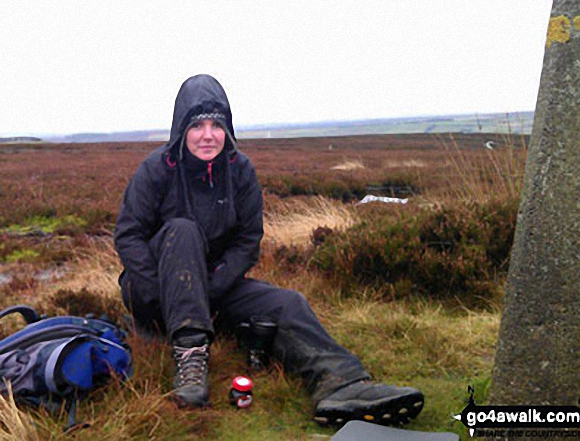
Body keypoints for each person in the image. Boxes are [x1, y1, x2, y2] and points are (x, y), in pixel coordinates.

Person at [114, 74, 424, 426]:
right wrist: (167, 291)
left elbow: (248, 239)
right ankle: (190, 359)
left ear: (227, 127)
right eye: (197, 124)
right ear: (181, 128)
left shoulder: (240, 170)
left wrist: (212, 286)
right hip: (154, 292)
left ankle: (341, 383)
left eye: (216, 124)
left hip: (213, 288)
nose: (207, 135)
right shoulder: (157, 169)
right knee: (182, 229)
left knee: (288, 303)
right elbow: (128, 236)